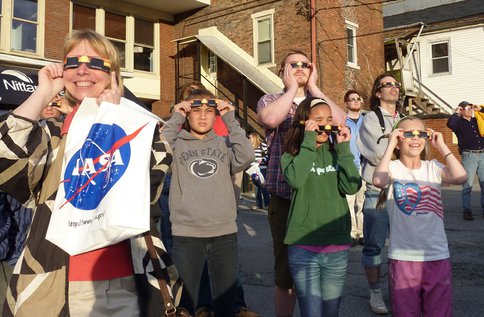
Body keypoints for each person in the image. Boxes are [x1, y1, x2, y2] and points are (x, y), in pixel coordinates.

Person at [0, 29, 177, 316]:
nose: (83, 70)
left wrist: (113, 118)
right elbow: (5, 161)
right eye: (73, 63)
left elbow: (151, 187)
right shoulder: (51, 135)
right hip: (53, 284)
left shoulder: (141, 127)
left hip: (129, 285)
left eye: (96, 63)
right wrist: (43, 91)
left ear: (113, 75)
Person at [257, 50, 345, 317]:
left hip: (320, 196)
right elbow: (271, 119)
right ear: (282, 70)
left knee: (322, 271)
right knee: (285, 273)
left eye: (305, 64)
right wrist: (292, 88)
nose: (299, 68)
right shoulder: (272, 99)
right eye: (292, 65)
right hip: (286, 199)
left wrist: (314, 87)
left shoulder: (319, 102)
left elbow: (341, 121)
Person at [162, 88, 254, 316]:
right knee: (185, 300)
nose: (202, 116)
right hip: (187, 235)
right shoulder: (177, 145)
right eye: (196, 110)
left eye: (209, 111)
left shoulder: (223, 144)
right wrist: (176, 117)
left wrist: (231, 119)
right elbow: (159, 150)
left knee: (225, 300)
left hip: (223, 233)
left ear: (216, 115)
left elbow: (246, 156)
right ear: (187, 113)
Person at [373, 116, 466, 316]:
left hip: (436, 255)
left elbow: (461, 176)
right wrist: (390, 145)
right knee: (406, 312)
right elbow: (378, 180)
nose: (415, 138)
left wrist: (441, 146)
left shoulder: (433, 167)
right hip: (403, 257)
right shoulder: (393, 169)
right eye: (408, 134)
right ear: (398, 139)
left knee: (438, 312)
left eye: (420, 134)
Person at [281, 97, 360, 317]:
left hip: (336, 245)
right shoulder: (291, 156)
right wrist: (309, 142)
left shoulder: (337, 154)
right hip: (303, 246)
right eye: (318, 120)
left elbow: (352, 186)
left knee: (331, 312)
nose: (325, 125)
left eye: (328, 120)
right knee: (311, 312)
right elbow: (296, 179)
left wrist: (344, 149)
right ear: (304, 123)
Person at [356, 73, 403, 314]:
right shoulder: (371, 119)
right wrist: (403, 149)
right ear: (377, 92)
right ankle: (375, 293)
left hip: (404, 189)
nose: (394, 88)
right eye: (388, 85)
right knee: (374, 245)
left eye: (396, 84)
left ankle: (400, 290)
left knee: (404, 244)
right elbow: (376, 153)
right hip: (379, 190)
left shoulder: (405, 119)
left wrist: (394, 147)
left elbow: (420, 150)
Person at [446, 101, 484, 221]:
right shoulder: (458, 123)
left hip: (482, 154)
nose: (470, 110)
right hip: (469, 156)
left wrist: (480, 110)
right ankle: (467, 210)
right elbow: (450, 124)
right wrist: (456, 112)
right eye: (467, 108)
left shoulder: (477, 120)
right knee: (467, 185)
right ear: (461, 110)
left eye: (470, 108)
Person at [344, 89, 366, 246]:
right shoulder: (341, 121)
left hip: (365, 166)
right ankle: (352, 233)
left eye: (358, 98)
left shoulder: (367, 121)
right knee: (349, 202)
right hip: (348, 166)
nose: (356, 101)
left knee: (362, 202)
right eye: (352, 99)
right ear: (346, 103)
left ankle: (362, 232)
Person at [248, 131, 270, 209]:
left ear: (254, 138)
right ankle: (258, 205)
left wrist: (262, 159)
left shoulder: (262, 145)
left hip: (262, 168)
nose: (249, 139)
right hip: (253, 168)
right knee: (256, 187)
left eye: (250, 138)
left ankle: (267, 204)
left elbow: (268, 154)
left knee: (263, 186)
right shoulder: (249, 147)